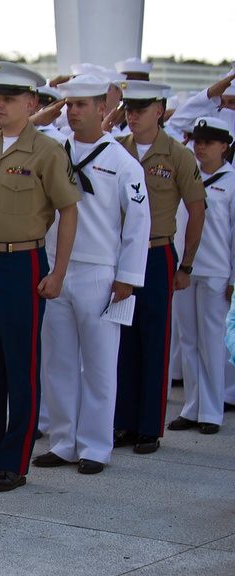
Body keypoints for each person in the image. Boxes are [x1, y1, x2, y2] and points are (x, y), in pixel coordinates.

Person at [0, 61, 81, 492]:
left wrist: (58, 271)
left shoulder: (46, 150)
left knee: (19, 364)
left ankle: (13, 460)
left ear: (31, 103)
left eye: (7, 98)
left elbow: (68, 210)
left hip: (22, 262)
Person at [32, 75, 150, 475]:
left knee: (99, 364)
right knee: (59, 361)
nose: (73, 111)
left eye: (82, 104)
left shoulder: (122, 162)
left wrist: (127, 278)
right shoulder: (52, 150)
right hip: (55, 268)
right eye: (69, 104)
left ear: (103, 109)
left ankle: (96, 446)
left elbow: (138, 224)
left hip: (101, 272)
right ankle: (64, 442)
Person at [113, 80, 206, 454]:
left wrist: (186, 264)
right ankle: (125, 423)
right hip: (122, 255)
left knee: (155, 340)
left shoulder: (178, 155)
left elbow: (197, 209)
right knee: (124, 341)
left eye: (140, 109)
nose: (132, 116)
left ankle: (149, 426)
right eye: (128, 110)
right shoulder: (118, 149)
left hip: (156, 254)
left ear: (160, 111)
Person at [168, 117, 235, 436]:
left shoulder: (231, 181)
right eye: (197, 140)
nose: (201, 146)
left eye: (209, 141)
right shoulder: (184, 176)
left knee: (212, 343)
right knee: (188, 339)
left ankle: (212, 410)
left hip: (217, 272)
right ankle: (191, 407)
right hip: (183, 269)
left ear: (225, 146)